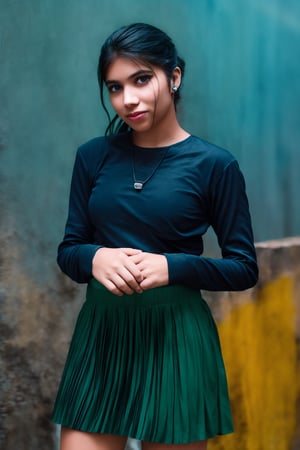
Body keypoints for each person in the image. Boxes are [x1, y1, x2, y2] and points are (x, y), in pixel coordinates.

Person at [51, 23, 258, 450]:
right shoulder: (93, 157)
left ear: (174, 76)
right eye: (114, 87)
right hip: (103, 335)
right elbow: (69, 250)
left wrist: (173, 266)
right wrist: (94, 258)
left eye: (141, 79)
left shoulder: (214, 165)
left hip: (177, 339)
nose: (128, 99)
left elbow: (243, 267)